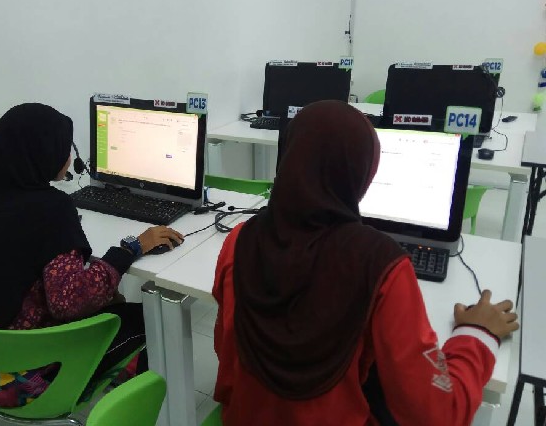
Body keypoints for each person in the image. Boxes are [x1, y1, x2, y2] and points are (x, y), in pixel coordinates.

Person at [212, 100, 519, 425]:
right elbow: (436, 414)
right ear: (364, 172)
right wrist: (476, 334)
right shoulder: (381, 265)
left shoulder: (239, 240)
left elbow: (226, 351)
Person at [0, 103, 183, 407]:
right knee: (153, 320)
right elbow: (69, 303)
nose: (69, 157)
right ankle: (128, 409)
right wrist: (131, 248)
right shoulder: (51, 209)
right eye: (65, 147)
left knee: (112, 303)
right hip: (24, 379)